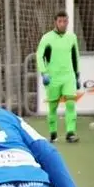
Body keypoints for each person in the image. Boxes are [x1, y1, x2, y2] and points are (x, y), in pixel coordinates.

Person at [36, 10, 81, 143]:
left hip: (68, 77)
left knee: (71, 105)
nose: (62, 24)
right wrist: (44, 72)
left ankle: (70, 133)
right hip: (53, 78)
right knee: (53, 108)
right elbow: (39, 56)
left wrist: (77, 75)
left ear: (67, 22)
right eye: (60, 21)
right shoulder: (47, 38)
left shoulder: (72, 37)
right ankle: (53, 133)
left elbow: (75, 56)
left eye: (65, 21)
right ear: (55, 22)